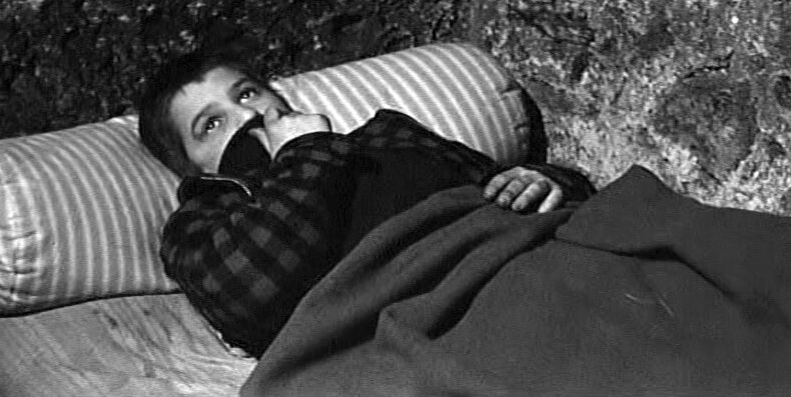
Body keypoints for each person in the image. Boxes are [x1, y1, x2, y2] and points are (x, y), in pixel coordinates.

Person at [138, 47, 596, 356]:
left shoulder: (387, 135)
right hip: (429, 335)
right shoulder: (201, 221)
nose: (247, 114)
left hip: (537, 267)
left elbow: (503, 183)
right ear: (194, 168)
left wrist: (545, 181)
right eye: (211, 125)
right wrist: (306, 151)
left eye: (247, 93)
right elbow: (252, 299)